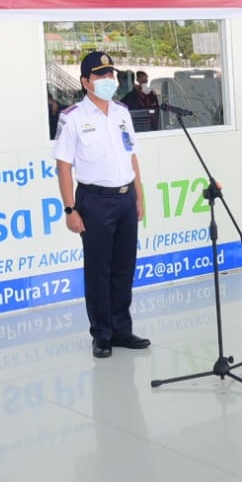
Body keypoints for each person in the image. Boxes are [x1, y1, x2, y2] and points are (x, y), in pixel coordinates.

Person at [53, 51, 151, 359]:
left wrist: (139, 194)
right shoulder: (73, 117)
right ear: (85, 81)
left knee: (124, 267)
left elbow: (131, 155)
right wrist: (70, 210)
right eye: (101, 75)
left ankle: (122, 329)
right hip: (94, 201)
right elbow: (63, 166)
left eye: (111, 74)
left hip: (125, 198)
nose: (109, 80)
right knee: (98, 270)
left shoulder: (121, 111)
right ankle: (102, 334)